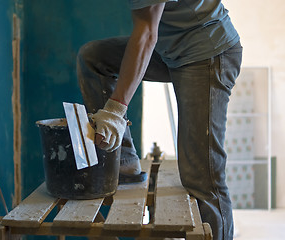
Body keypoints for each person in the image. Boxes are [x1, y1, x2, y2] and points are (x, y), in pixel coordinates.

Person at [77, 0, 242, 239]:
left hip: (206, 52)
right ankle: (123, 162)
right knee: (93, 57)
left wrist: (114, 110)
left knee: (201, 179)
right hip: (171, 48)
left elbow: (145, 34)